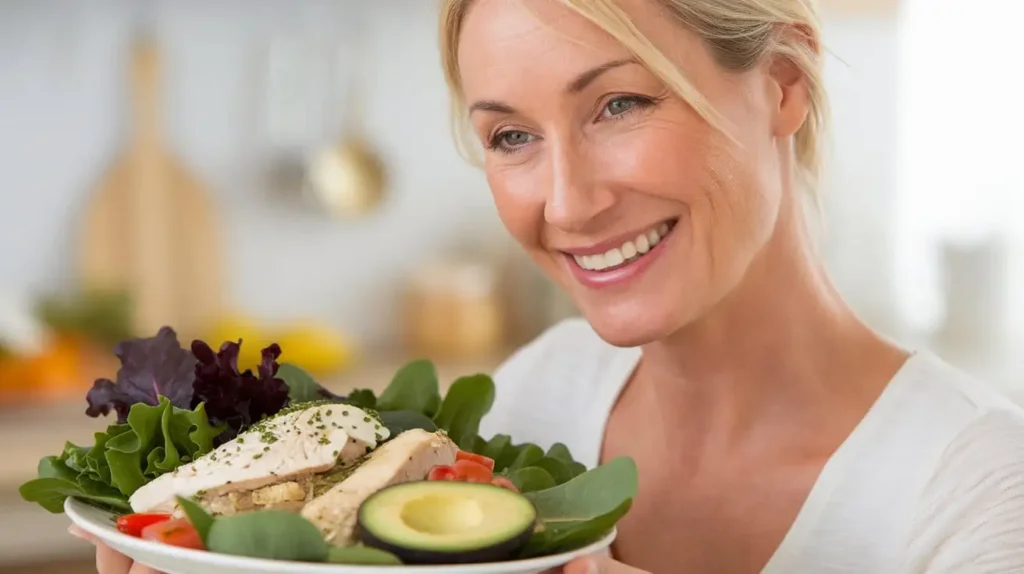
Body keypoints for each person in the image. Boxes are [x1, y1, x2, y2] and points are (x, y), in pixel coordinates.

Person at [76, 0, 1024, 572]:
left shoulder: (976, 488)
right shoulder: (547, 393)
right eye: (512, 137)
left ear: (781, 81)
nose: (565, 204)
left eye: (620, 103)